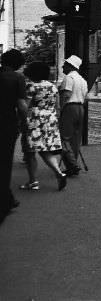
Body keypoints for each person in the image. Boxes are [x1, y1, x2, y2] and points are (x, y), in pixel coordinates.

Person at [19, 62, 67, 192]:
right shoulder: (52, 87)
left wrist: (22, 121)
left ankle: (33, 181)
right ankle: (59, 172)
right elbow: (57, 106)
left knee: (30, 152)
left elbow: (25, 106)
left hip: (34, 120)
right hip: (50, 119)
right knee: (46, 150)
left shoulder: (31, 87)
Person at [1, 49, 28, 224]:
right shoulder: (17, 78)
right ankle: (4, 203)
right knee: (4, 164)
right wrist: (25, 122)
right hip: (6, 125)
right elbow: (22, 106)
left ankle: (8, 198)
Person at [59, 55, 88, 177]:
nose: (62, 66)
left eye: (65, 64)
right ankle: (73, 164)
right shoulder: (82, 80)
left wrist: (60, 110)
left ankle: (72, 165)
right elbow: (85, 98)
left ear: (70, 66)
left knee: (63, 138)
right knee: (76, 139)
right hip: (81, 108)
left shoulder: (69, 78)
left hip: (70, 108)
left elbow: (66, 95)